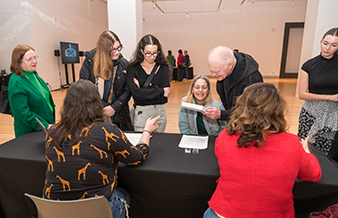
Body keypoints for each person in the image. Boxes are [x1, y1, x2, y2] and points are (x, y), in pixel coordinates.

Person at [42, 80, 160, 218]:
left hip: (55, 211)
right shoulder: (106, 131)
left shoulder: (52, 132)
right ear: (96, 103)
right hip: (95, 211)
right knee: (123, 194)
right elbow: (136, 158)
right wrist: (147, 131)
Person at [204, 83, 321, 218]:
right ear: (278, 111)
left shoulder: (224, 137)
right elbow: (314, 174)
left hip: (223, 212)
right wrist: (307, 152)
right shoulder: (292, 143)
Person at [80, 30, 133, 131]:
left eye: (119, 48)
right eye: (112, 50)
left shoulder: (123, 64)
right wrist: (103, 107)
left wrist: (114, 107)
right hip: (94, 116)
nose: (117, 52)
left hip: (119, 117)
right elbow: (84, 88)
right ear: (103, 50)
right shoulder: (90, 62)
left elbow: (128, 90)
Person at [298, 27, 338, 155]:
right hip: (310, 113)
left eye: (333, 45)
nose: (327, 48)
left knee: (326, 152)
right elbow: (302, 94)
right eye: (325, 43)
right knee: (304, 149)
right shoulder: (309, 65)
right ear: (321, 42)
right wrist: (330, 97)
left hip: (333, 115)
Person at [204, 46, 263, 121]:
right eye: (211, 71)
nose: (213, 75)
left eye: (216, 71)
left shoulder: (252, 79)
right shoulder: (223, 74)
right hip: (233, 121)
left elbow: (251, 112)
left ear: (230, 65)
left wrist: (222, 114)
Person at [8, 44, 55, 137]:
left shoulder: (33, 74)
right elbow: (23, 112)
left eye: (35, 57)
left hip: (46, 125)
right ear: (19, 62)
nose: (34, 61)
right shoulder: (16, 82)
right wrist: (44, 125)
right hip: (31, 131)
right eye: (29, 59)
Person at [127, 34, 171, 133]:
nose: (152, 57)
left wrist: (143, 91)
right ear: (141, 51)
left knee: (158, 144)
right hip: (142, 113)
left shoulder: (163, 68)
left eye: (155, 53)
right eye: (148, 53)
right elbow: (136, 94)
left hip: (160, 113)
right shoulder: (133, 68)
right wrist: (160, 91)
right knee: (142, 144)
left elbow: (165, 96)